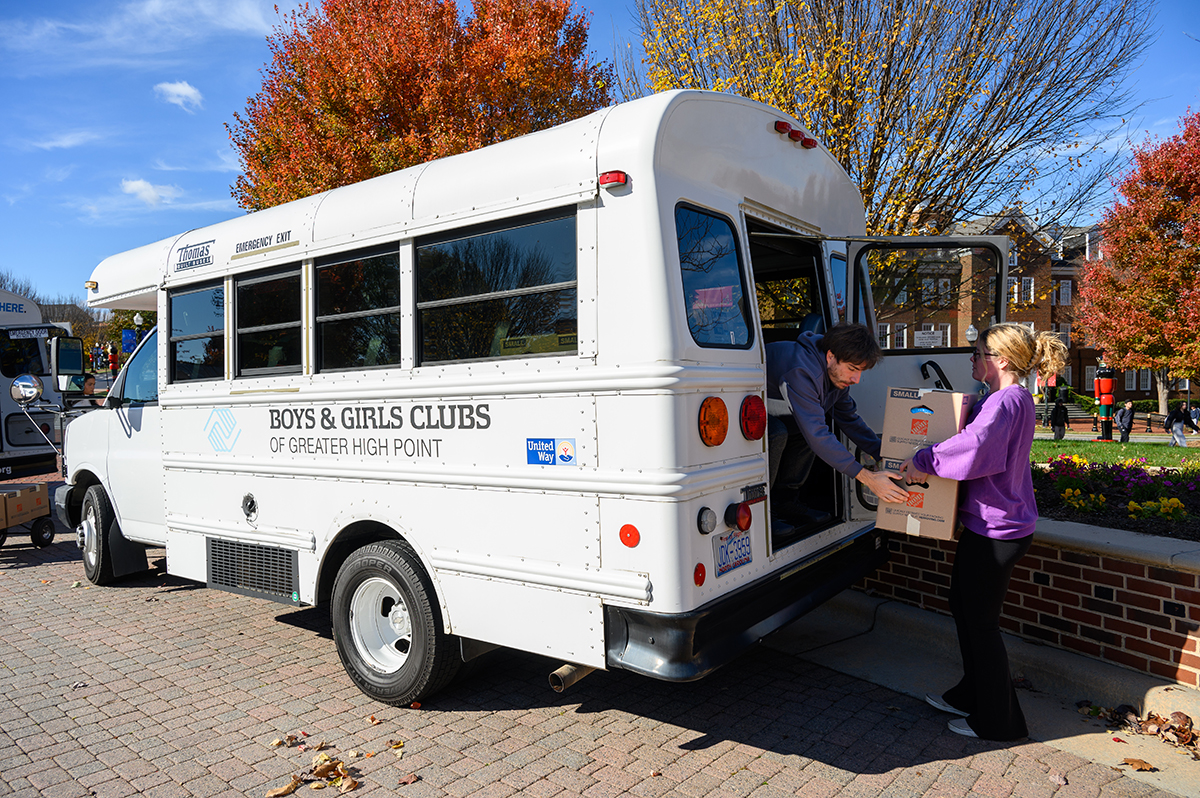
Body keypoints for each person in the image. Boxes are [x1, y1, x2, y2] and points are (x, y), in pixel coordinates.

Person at [899, 323, 1068, 741]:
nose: (972, 359)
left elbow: (976, 451)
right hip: (993, 524)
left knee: (981, 622)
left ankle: (999, 721)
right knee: (964, 606)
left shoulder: (1004, 403)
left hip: (998, 530)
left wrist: (923, 459)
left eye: (978, 353)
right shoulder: (1009, 398)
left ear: (1001, 360)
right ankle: (970, 694)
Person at [766, 322, 909, 538]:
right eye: (852, 369)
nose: (856, 380)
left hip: (776, 409)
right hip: (737, 407)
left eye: (860, 371)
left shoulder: (836, 378)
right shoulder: (802, 371)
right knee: (778, 432)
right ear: (831, 356)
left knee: (802, 432)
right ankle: (765, 511)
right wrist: (868, 478)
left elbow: (850, 421)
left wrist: (885, 455)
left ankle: (785, 502)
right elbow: (818, 435)